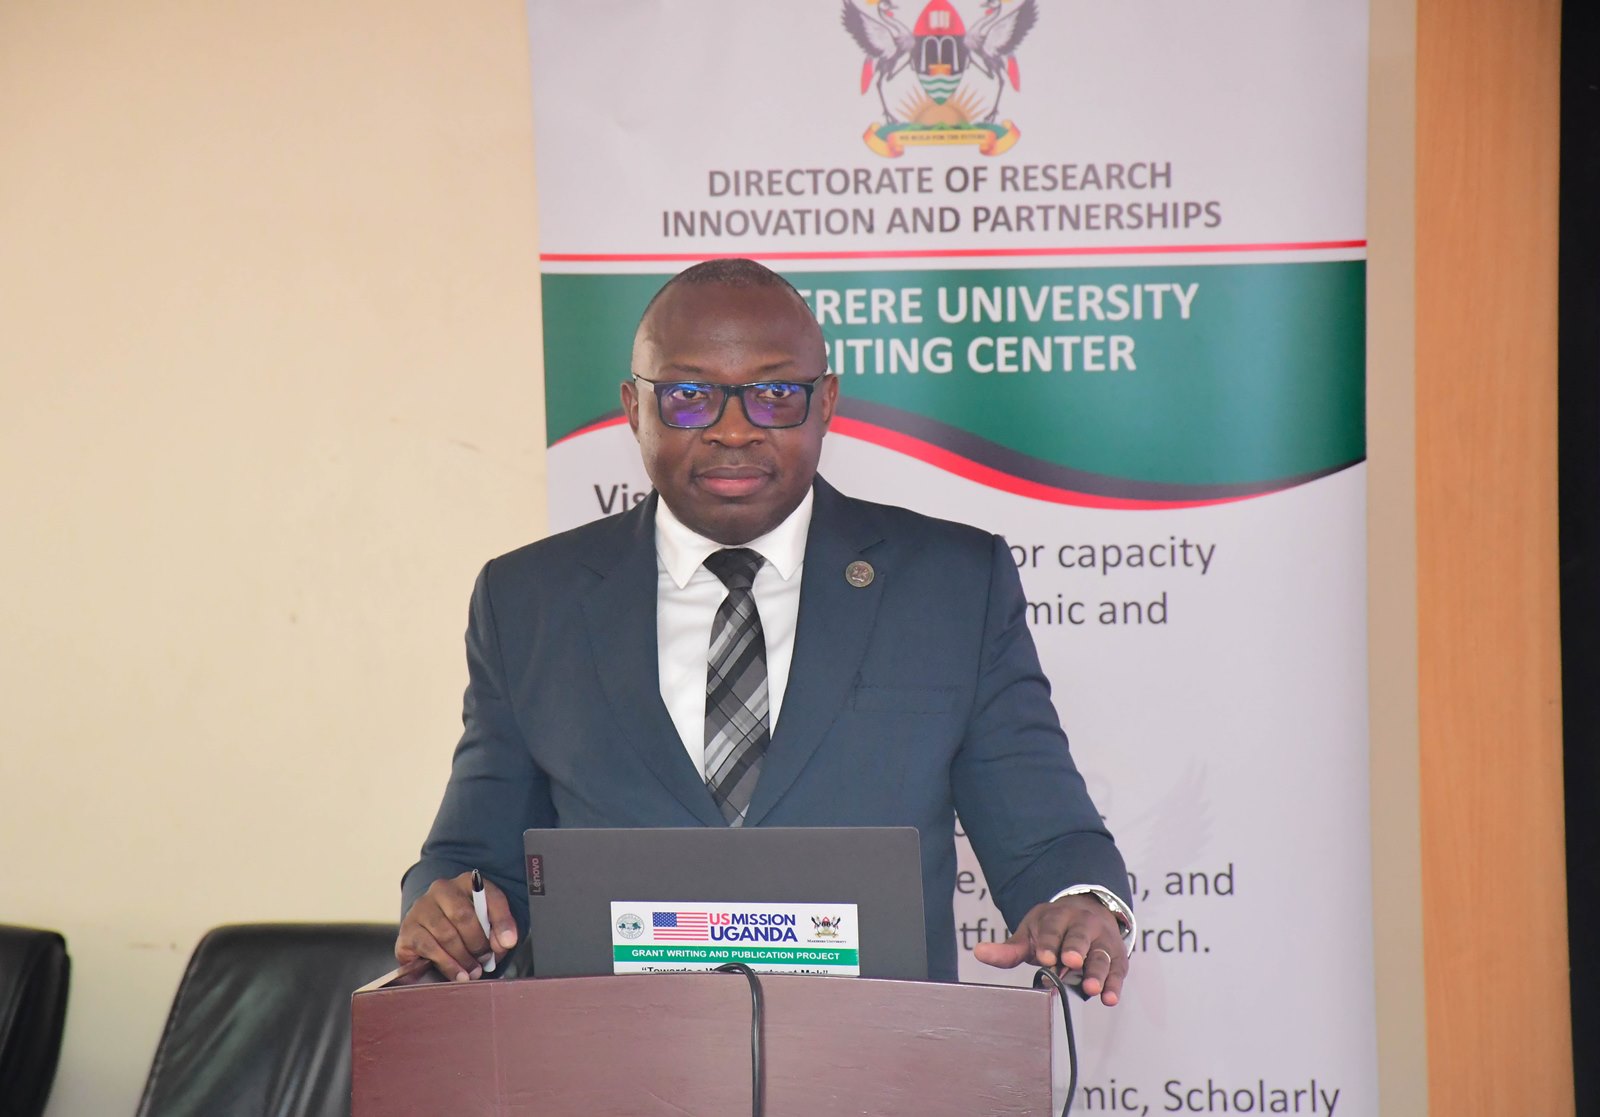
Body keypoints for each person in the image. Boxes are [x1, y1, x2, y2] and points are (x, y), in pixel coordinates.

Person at [398, 258, 1133, 1001]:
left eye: (775, 395)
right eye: (689, 397)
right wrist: (451, 911)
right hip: (617, 1052)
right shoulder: (529, 601)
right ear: (633, 408)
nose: (732, 430)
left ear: (827, 402)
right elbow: (473, 860)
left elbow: (1046, 837)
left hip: (876, 1053)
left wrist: (1079, 906)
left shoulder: (951, 588)